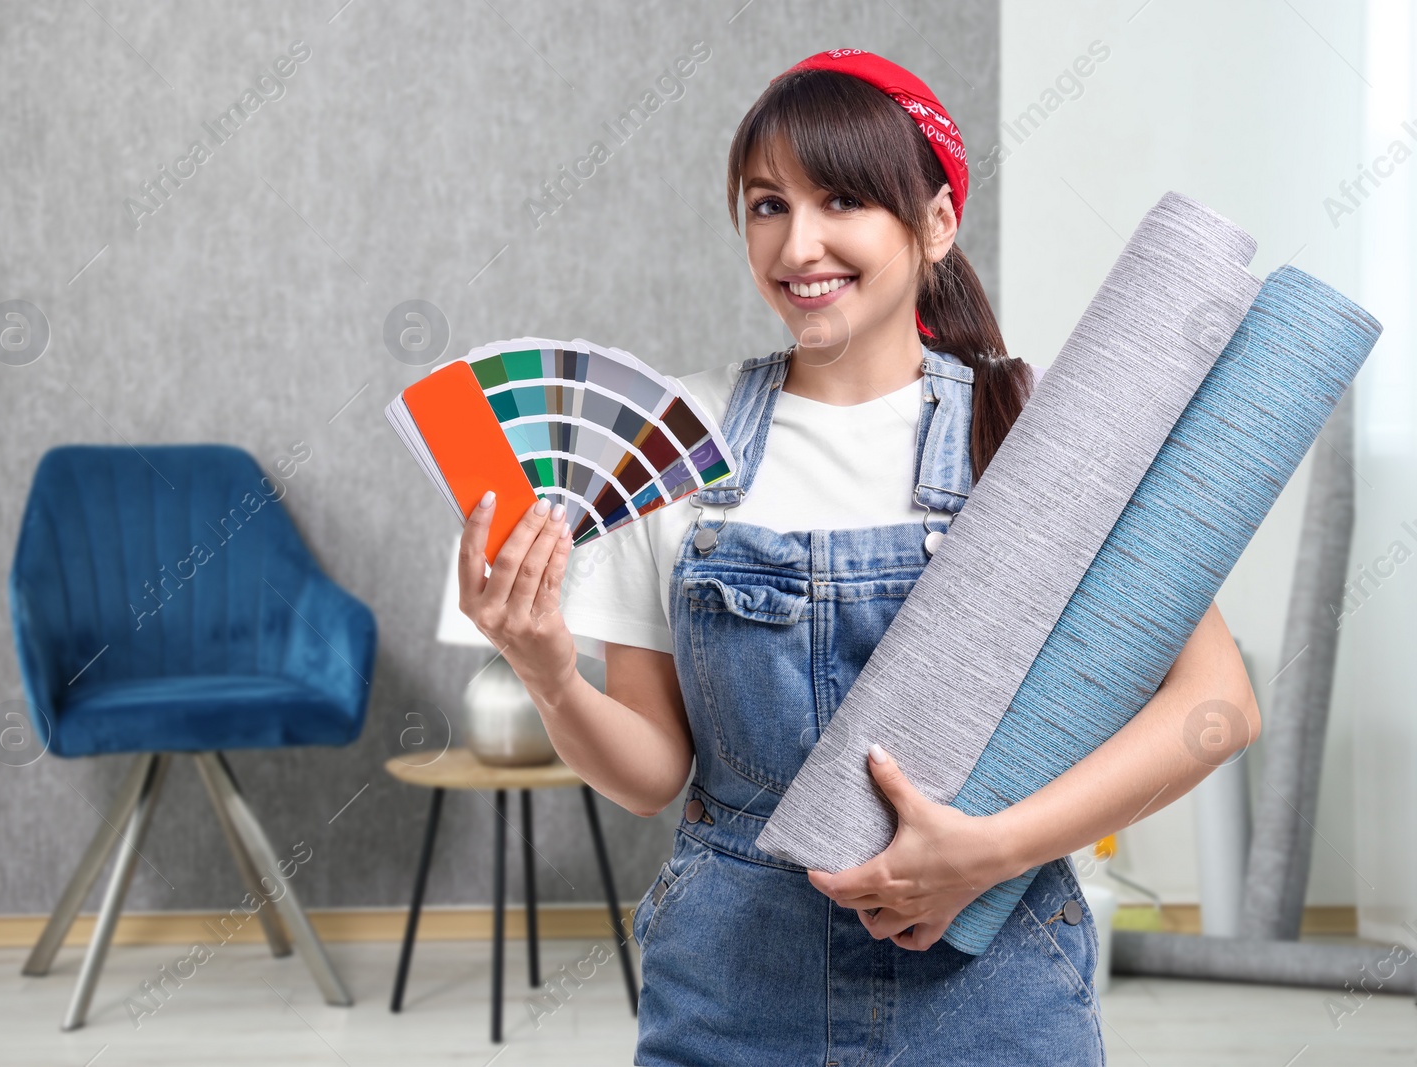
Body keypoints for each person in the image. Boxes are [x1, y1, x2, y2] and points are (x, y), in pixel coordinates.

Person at [455, 47, 1260, 1067]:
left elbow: (1218, 704)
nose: (799, 243)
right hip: (734, 983)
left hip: (991, 976)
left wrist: (989, 849)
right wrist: (545, 669)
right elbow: (654, 773)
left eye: (842, 198)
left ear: (934, 222)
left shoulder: (1035, 424)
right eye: (764, 205)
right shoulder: (670, 440)